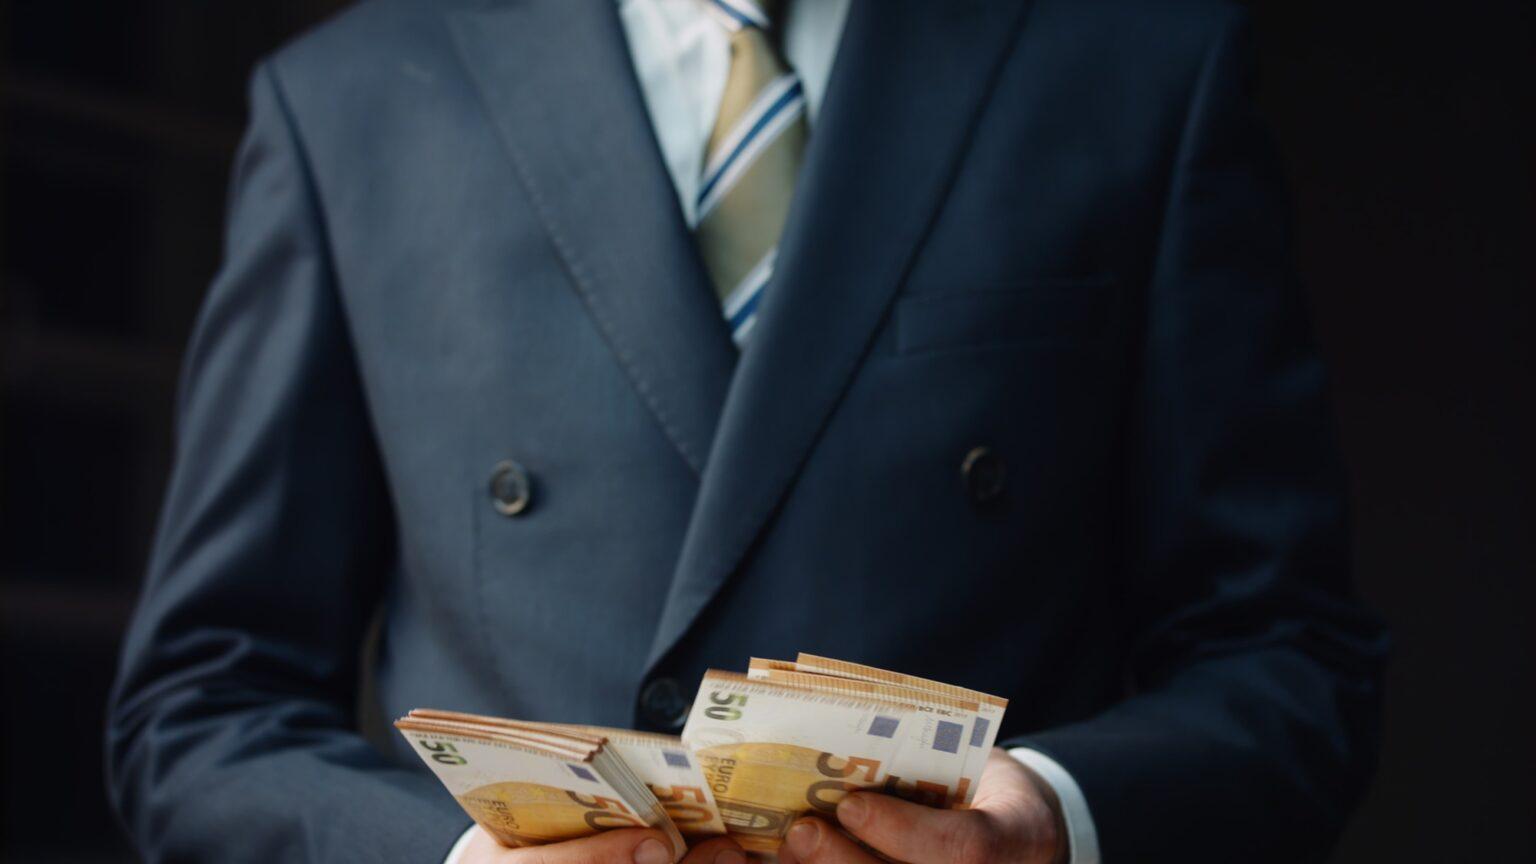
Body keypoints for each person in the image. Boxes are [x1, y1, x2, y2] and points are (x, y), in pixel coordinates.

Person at [106, 0, 1388, 862]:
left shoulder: (1133, 65)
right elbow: (203, 705)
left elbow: (1287, 654)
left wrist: (1049, 814)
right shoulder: (351, 106)